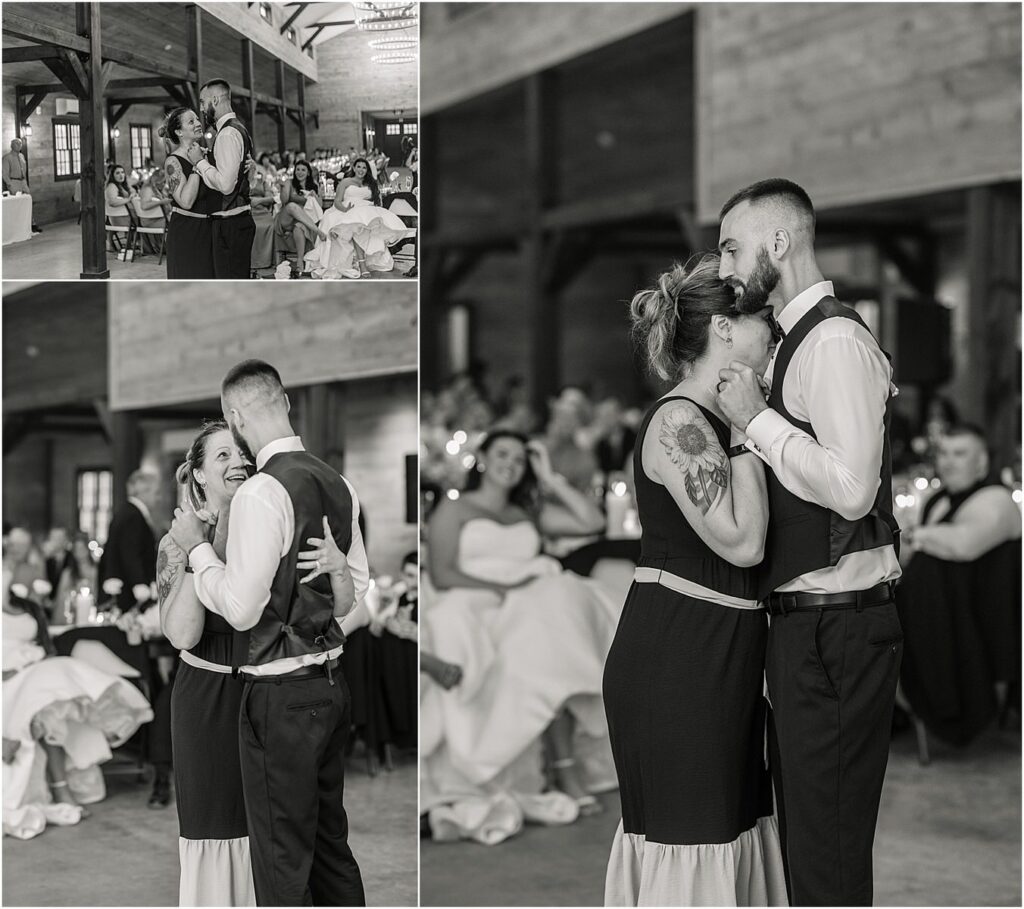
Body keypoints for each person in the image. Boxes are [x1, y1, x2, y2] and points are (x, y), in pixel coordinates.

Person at [715, 178, 902, 907]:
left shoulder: (832, 341)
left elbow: (853, 488)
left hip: (842, 623)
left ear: (781, 241)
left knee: (827, 850)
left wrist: (757, 421)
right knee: (807, 843)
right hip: (811, 624)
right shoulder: (793, 342)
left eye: (734, 246)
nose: (727, 265)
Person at [602, 255, 785, 906]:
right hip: (680, 658)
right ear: (726, 331)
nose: (773, 329)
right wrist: (745, 428)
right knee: (694, 836)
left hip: (721, 651)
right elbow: (743, 541)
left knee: (731, 827)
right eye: (763, 318)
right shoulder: (681, 421)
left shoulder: (716, 415)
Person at [169, 360, 366, 906]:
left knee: (282, 856)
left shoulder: (262, 492)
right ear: (285, 402)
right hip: (329, 686)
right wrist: (334, 577)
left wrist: (200, 551)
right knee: (330, 846)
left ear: (235, 416)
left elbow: (240, 609)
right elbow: (354, 595)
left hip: (279, 695)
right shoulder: (339, 482)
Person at [422, 431, 623, 845]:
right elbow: (442, 572)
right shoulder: (454, 508)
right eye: (502, 454)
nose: (510, 464)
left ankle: (565, 763)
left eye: (519, 458)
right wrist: (501, 590)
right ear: (482, 458)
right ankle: (564, 769)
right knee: (546, 628)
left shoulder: (527, 512)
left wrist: (550, 478)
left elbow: (594, 522)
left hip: (534, 601)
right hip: (482, 601)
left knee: (557, 610)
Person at [3, 571, 153, 840]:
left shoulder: (27, 606)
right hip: (7, 679)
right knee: (46, 694)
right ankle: (59, 784)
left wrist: (31, 662)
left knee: (51, 686)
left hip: (34, 671)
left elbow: (46, 646)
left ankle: (36, 736)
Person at [898, 424, 1022, 744]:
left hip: (984, 624)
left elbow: (964, 544)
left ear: (981, 462)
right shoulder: (937, 499)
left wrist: (914, 537)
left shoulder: (997, 499)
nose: (949, 462)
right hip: (946, 616)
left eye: (960, 454)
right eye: (944, 453)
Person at [309, 157, 414, 279]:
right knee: (355, 224)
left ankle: (361, 261)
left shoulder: (370, 183)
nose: (361, 169)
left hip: (364, 209)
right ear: (354, 168)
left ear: (367, 170)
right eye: (358, 166)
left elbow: (376, 200)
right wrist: (345, 210)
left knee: (362, 223)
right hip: (345, 209)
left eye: (364, 167)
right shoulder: (345, 182)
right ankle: (361, 264)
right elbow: (337, 201)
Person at [194, 79, 256, 279]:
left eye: (203, 102)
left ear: (214, 99)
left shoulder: (227, 134)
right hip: (238, 220)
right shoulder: (239, 128)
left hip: (230, 223)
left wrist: (200, 163)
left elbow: (226, 186)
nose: (202, 109)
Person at [161, 107, 217, 279]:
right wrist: (196, 165)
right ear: (179, 131)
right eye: (191, 121)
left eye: (197, 120)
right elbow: (185, 201)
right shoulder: (173, 161)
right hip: (187, 232)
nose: (199, 124)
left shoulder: (206, 154)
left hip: (209, 230)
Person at [98, 469, 161, 612]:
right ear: (144, 492)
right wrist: (139, 584)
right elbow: (130, 553)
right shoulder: (133, 516)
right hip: (129, 593)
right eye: (156, 493)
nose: (159, 498)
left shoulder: (125, 511)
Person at [273, 160, 327, 276]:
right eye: (298, 169)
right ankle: (317, 231)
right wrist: (282, 188)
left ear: (308, 173)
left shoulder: (314, 185)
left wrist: (315, 195)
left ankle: (299, 262)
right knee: (292, 206)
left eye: (303, 170)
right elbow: (284, 201)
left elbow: (320, 206)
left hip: (303, 221)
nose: (300, 172)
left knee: (299, 227)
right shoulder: (289, 182)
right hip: (286, 218)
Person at [54, 532, 99, 611]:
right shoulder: (68, 573)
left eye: (82, 548)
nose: (80, 553)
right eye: (77, 550)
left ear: (87, 549)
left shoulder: (96, 571)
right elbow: (61, 598)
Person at [105, 163, 139, 248]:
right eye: (117, 173)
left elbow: (133, 190)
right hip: (120, 218)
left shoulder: (122, 185)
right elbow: (112, 202)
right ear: (112, 175)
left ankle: (135, 244)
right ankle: (141, 246)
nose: (121, 175)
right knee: (145, 221)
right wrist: (128, 200)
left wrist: (133, 193)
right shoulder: (112, 186)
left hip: (123, 217)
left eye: (122, 172)